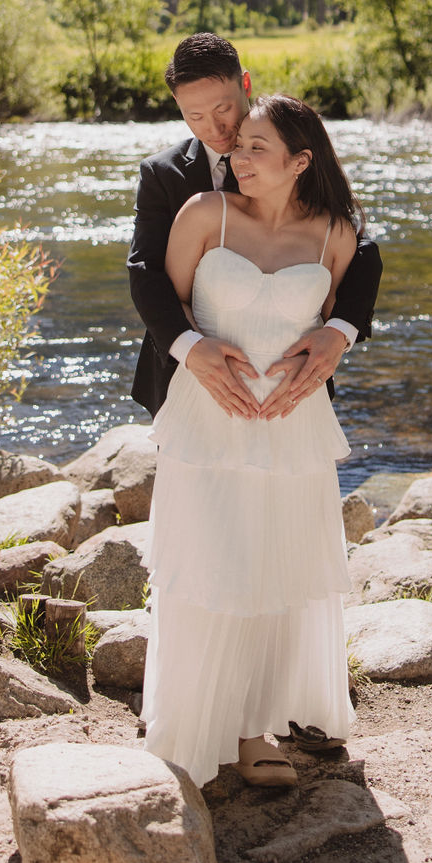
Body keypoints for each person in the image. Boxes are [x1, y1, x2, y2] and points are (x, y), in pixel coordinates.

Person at [140, 91, 367, 788]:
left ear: (302, 161)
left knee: (277, 569)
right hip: (211, 419)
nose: (237, 157)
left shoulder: (336, 232)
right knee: (214, 564)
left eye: (255, 148)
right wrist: (193, 349)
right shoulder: (204, 213)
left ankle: (255, 723)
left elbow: (340, 307)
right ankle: (196, 721)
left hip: (291, 427)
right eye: (237, 148)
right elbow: (165, 294)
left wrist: (339, 335)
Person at [128, 34, 381, 420]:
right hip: (188, 374)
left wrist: (340, 331)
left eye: (222, 109)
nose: (213, 128)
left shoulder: (290, 141)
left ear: (244, 84)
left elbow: (359, 248)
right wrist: (189, 346)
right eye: (193, 117)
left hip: (290, 386)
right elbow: (145, 270)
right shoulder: (164, 174)